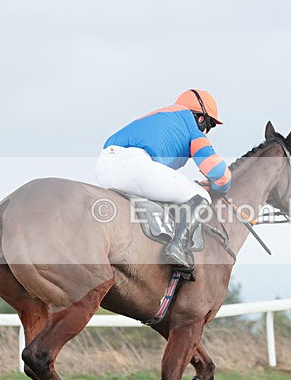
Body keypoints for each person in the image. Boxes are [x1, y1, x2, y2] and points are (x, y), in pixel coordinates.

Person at [96, 89, 231, 269]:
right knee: (201, 196)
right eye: (210, 125)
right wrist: (218, 187)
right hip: (135, 168)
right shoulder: (192, 128)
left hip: (103, 167)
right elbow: (218, 171)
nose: (208, 131)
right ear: (200, 119)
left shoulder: (158, 116)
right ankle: (177, 247)